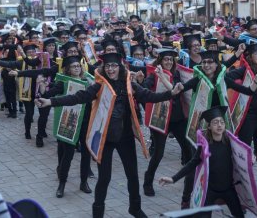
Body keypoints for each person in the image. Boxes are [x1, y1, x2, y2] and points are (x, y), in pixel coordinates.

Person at [36, 52, 184, 218]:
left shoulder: (129, 85)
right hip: (105, 138)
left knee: (133, 176)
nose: (111, 69)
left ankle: (135, 208)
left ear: (120, 67)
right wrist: (50, 101)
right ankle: (97, 213)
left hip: (126, 137)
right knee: (104, 178)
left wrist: (170, 94)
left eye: (114, 66)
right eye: (108, 66)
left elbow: (148, 96)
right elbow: (78, 97)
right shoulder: (99, 86)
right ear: (104, 68)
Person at [158, 106, 245, 218]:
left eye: (222, 122)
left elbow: (242, 158)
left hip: (229, 189)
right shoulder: (204, 147)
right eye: (215, 122)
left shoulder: (230, 142)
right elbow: (192, 163)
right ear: (209, 127)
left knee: (239, 215)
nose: (219, 125)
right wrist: (173, 178)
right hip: (210, 190)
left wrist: (249, 158)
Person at [142, 48, 194, 209]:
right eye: (166, 60)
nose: (169, 62)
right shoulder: (153, 75)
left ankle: (188, 181)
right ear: (160, 61)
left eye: (171, 60)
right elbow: (144, 90)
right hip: (161, 119)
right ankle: (148, 182)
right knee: (158, 153)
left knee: (189, 150)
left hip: (178, 119)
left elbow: (178, 91)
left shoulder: (177, 75)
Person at [36, 56, 93, 198]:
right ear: (67, 69)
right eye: (73, 66)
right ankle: (62, 184)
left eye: (78, 66)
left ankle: (84, 182)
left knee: (86, 154)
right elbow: (48, 95)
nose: (76, 68)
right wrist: (42, 86)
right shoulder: (63, 83)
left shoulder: (88, 82)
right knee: (68, 154)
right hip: (69, 121)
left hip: (86, 122)